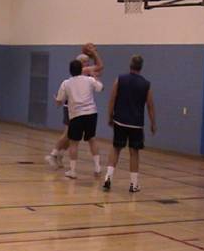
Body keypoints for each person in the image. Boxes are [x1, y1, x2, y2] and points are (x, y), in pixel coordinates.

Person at [104, 55, 157, 193]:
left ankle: (108, 178)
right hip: (136, 124)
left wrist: (110, 116)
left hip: (120, 121)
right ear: (141, 67)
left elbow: (112, 99)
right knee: (134, 153)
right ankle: (133, 184)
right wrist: (153, 123)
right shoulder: (146, 84)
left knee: (116, 149)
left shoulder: (120, 79)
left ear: (130, 65)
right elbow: (150, 105)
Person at [45, 44, 103, 168]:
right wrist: (94, 53)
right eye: (85, 61)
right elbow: (100, 66)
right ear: (80, 63)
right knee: (68, 134)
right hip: (72, 106)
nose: (88, 63)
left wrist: (93, 56)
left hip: (78, 107)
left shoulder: (85, 72)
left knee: (71, 137)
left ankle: (59, 154)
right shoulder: (84, 71)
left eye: (88, 61)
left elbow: (98, 68)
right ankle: (53, 155)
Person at [55, 59, 104, 179]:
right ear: (81, 69)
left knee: (74, 143)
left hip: (76, 115)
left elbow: (59, 101)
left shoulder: (66, 83)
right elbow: (101, 88)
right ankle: (97, 167)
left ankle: (72, 171)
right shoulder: (89, 80)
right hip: (91, 113)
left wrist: (56, 100)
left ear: (70, 70)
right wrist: (95, 77)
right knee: (92, 139)